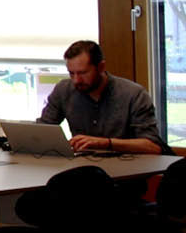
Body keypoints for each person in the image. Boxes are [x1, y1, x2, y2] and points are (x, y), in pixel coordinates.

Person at [37, 39, 165, 154]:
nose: (76, 80)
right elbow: (42, 131)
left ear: (101, 67)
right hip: (83, 168)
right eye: (71, 73)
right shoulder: (64, 90)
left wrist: (106, 143)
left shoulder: (133, 94)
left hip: (127, 171)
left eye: (83, 73)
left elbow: (152, 146)